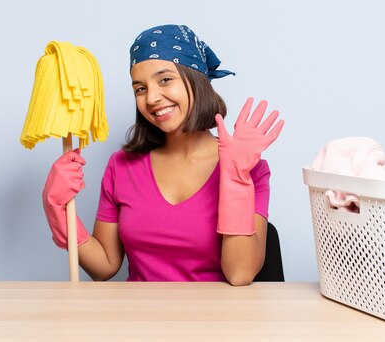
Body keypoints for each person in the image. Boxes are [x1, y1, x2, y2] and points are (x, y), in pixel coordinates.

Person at [41, 24, 284, 285]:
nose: (152, 97)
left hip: (215, 322)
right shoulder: (121, 166)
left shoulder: (250, 168)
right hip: (140, 320)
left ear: (196, 79)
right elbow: (105, 267)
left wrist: (236, 180)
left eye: (165, 80)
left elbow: (240, 274)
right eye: (140, 89)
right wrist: (57, 209)